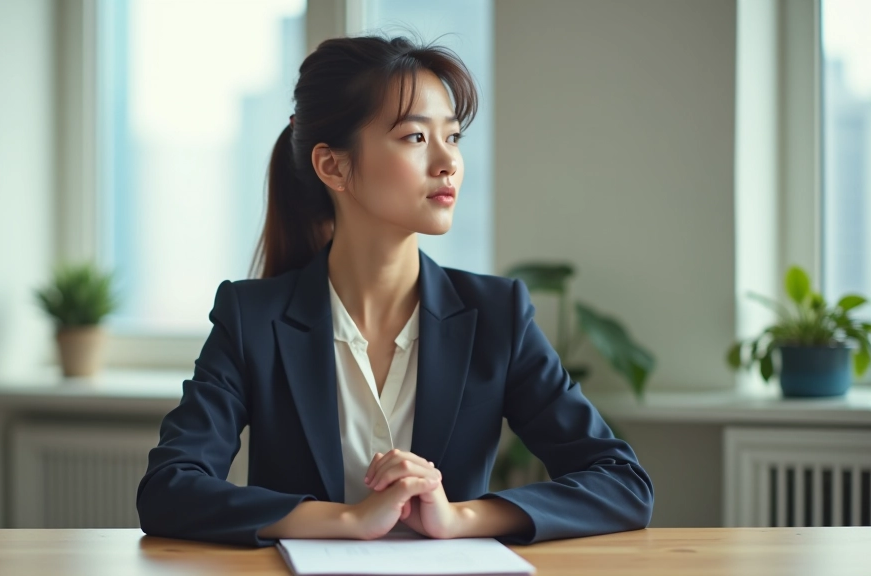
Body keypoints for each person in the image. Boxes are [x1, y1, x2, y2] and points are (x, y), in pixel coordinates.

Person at [136, 35, 654, 547]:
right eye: (415, 137)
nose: (447, 161)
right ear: (332, 166)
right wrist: (348, 520)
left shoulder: (497, 315)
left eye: (452, 136)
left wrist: (458, 517)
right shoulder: (252, 319)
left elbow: (621, 483)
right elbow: (169, 490)